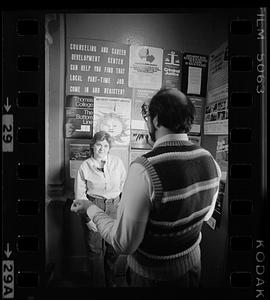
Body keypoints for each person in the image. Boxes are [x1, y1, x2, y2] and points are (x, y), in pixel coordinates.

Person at [71, 88, 221, 287]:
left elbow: (123, 243)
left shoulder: (144, 168)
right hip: (193, 268)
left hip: (151, 277)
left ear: (156, 120)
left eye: (147, 117)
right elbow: (207, 214)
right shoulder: (210, 160)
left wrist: (89, 208)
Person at [74, 130, 126, 287]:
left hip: (114, 206)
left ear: (109, 147)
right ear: (93, 146)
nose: (102, 148)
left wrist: (122, 210)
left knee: (113, 248)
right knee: (95, 250)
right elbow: (80, 195)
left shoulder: (117, 163)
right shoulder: (85, 166)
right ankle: (98, 285)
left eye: (105, 145)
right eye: (98, 145)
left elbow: (124, 185)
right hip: (94, 206)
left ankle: (110, 282)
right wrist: (87, 218)